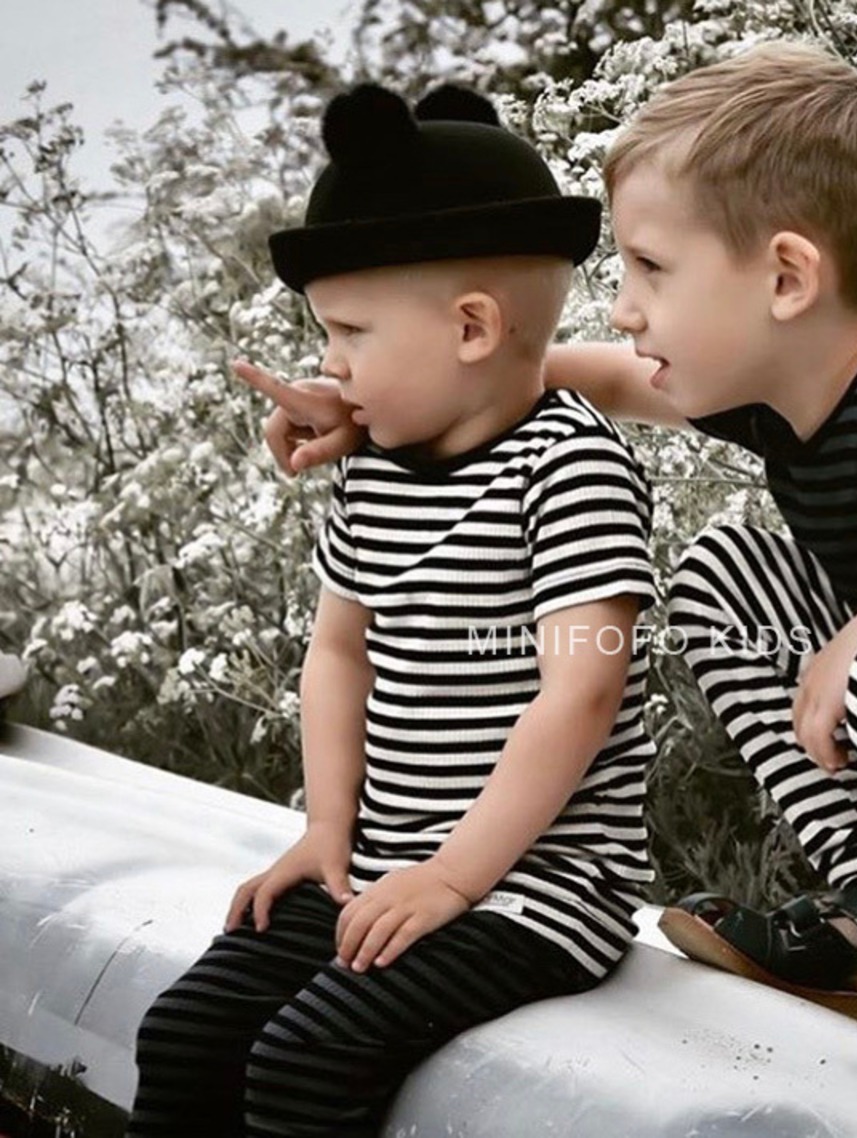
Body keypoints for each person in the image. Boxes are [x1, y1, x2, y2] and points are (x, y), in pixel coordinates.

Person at [243, 44, 857, 1085]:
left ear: (785, 278)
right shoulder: (789, 382)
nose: (624, 306)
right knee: (722, 575)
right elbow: (581, 376)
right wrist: (376, 399)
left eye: (652, 269)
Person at [128, 82, 656, 1137]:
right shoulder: (374, 472)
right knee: (183, 1032)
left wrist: (453, 877)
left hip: (535, 888)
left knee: (306, 1057)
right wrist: (326, 828)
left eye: (350, 332)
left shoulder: (571, 467)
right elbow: (339, 651)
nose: (329, 365)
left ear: (471, 328)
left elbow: (583, 691)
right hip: (382, 858)